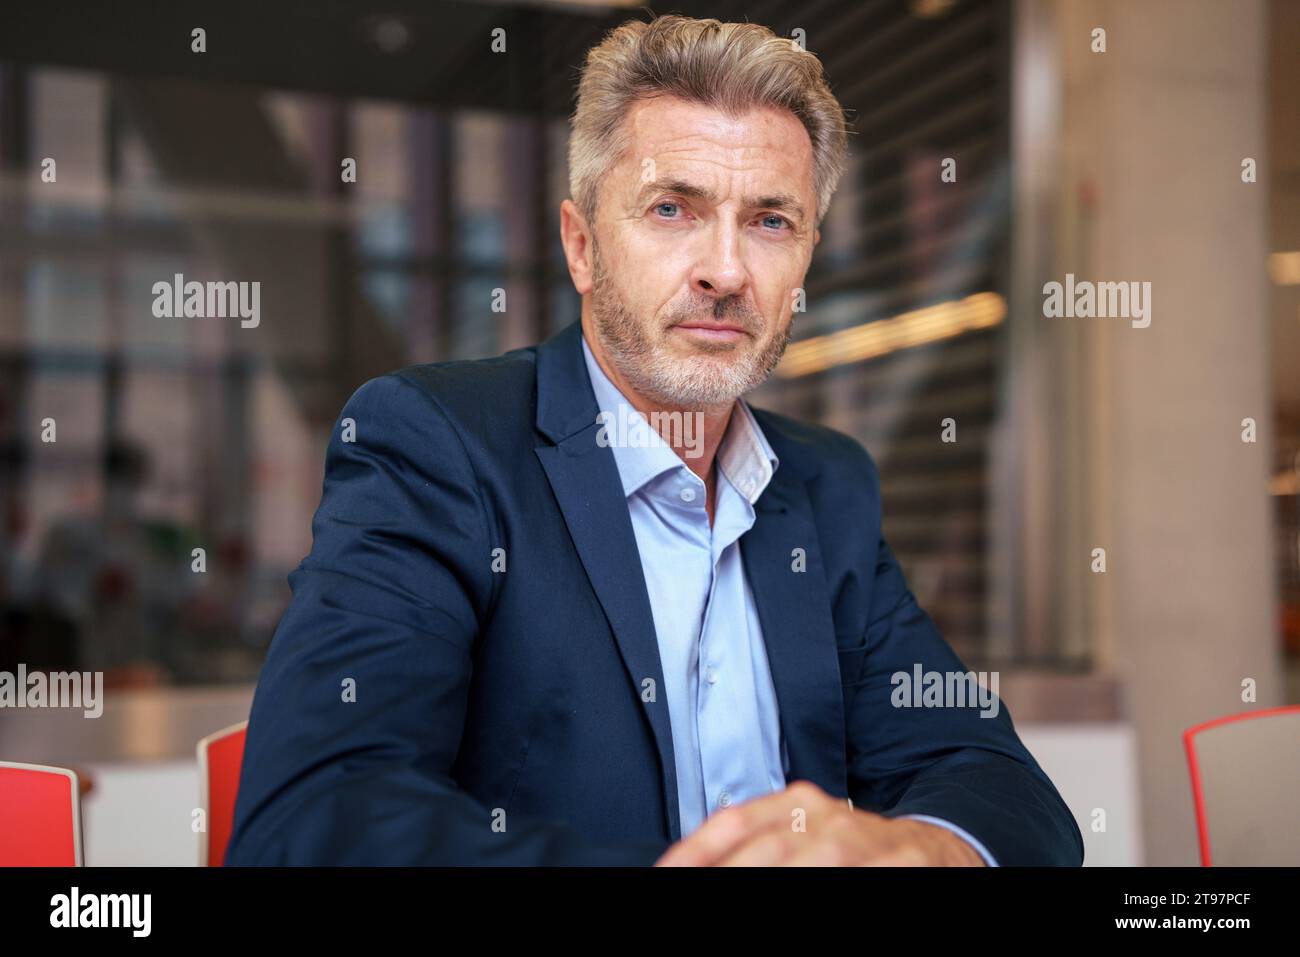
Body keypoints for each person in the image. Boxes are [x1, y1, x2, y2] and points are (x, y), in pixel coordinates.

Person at [227, 14, 1083, 866]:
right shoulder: (438, 446)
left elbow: (996, 783)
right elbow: (311, 823)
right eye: (673, 208)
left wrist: (922, 853)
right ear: (582, 245)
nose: (726, 270)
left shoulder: (826, 487)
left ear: (807, 263)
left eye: (772, 221)